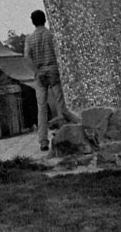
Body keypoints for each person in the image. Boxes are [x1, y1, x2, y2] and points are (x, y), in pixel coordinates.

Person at [24, 9, 78, 151]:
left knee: (41, 108)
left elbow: (27, 57)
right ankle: (72, 128)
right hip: (53, 72)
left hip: (40, 76)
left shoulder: (29, 39)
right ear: (45, 19)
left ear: (33, 22)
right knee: (61, 105)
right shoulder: (51, 35)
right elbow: (60, 53)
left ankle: (43, 141)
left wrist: (36, 71)